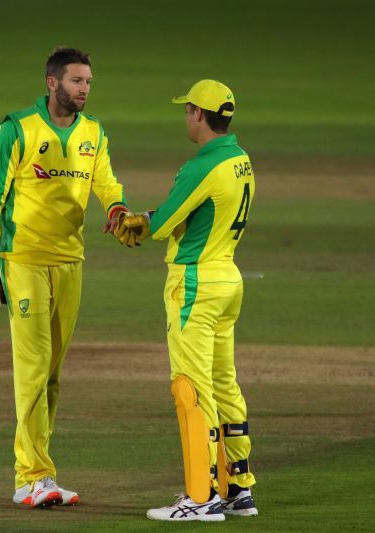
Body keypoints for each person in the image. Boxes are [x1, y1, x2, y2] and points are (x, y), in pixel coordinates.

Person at [0, 47, 128, 508]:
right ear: (51, 83)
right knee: (34, 367)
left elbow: (106, 182)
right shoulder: (17, 129)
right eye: (76, 81)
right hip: (21, 259)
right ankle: (32, 476)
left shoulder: (94, 133)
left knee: (53, 373)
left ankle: (41, 472)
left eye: (88, 83)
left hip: (70, 262)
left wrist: (117, 208)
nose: (83, 89)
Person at [115, 80, 258, 522]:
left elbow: (164, 221)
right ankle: (237, 488)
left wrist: (137, 221)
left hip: (195, 284)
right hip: (228, 279)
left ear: (199, 113)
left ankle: (201, 496)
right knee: (224, 387)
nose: (185, 117)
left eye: (187, 110)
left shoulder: (201, 167)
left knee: (191, 390)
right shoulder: (241, 160)